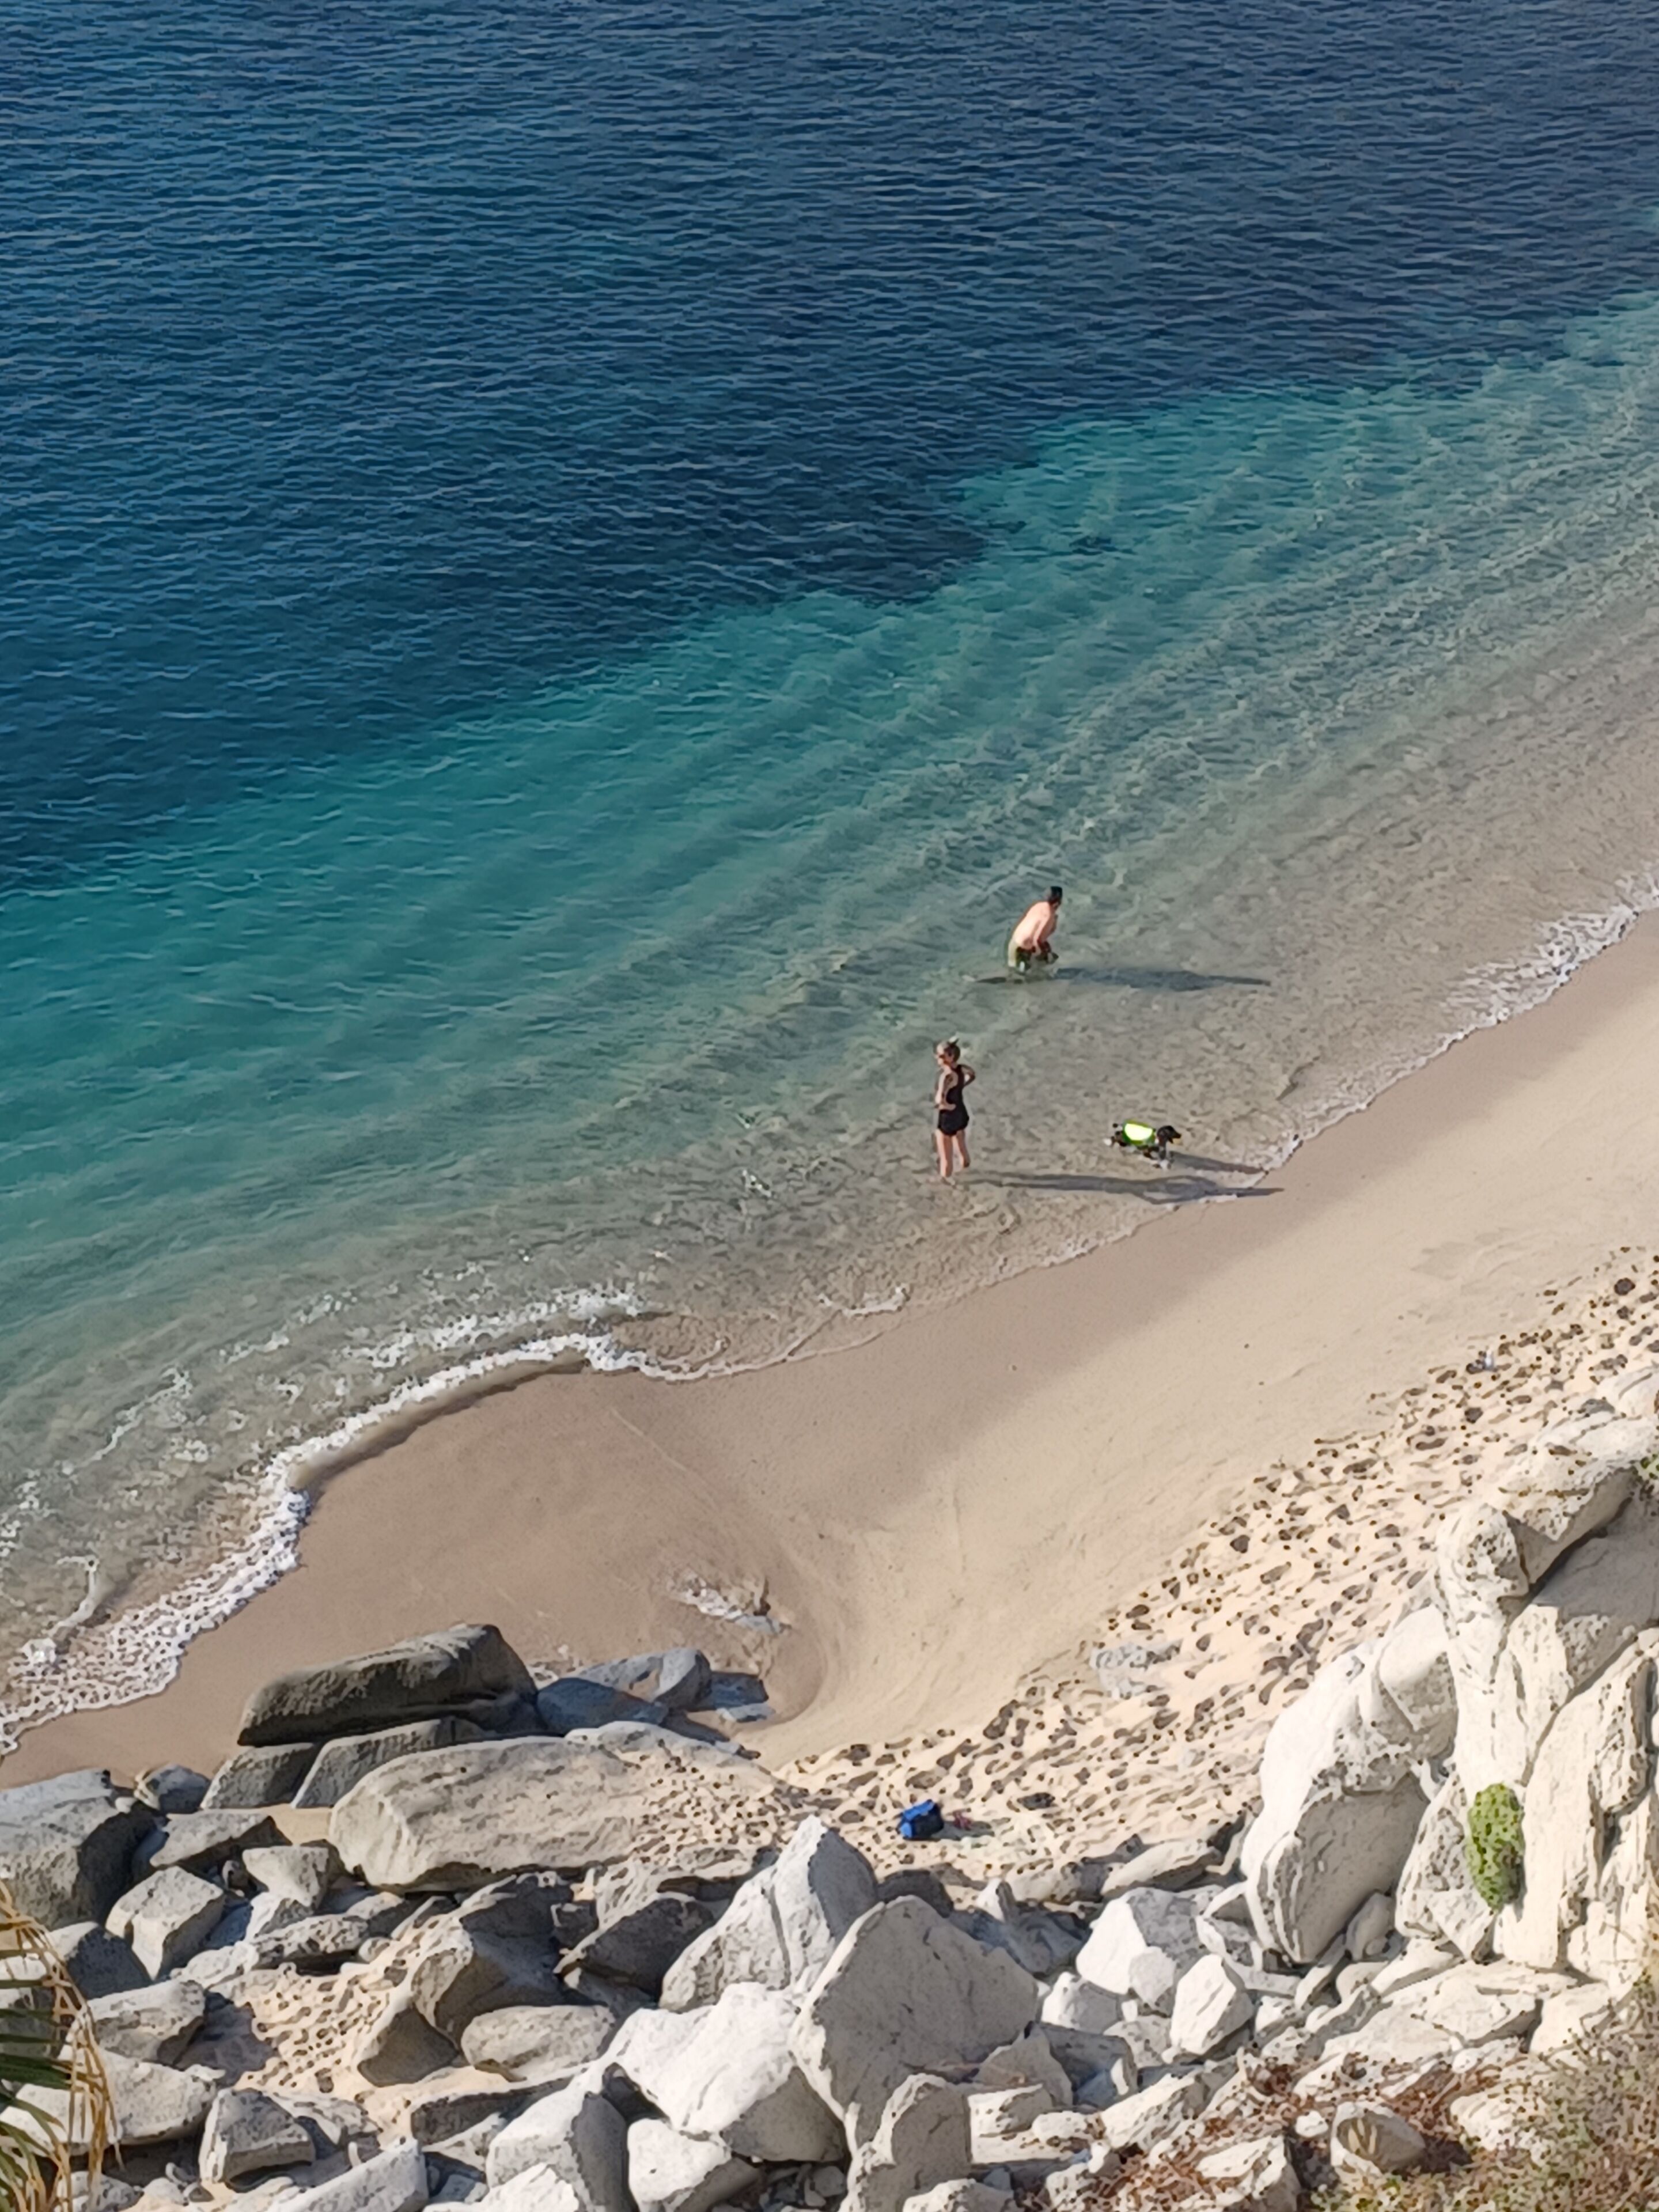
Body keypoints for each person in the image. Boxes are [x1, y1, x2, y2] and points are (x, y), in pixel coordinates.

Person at [933, 1038, 975, 1180]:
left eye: (940, 1055)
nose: (938, 1058)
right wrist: (962, 1086)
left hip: (948, 1118)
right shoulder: (962, 1069)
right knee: (962, 1147)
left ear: (950, 1057)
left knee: (946, 1158)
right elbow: (972, 1074)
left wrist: (945, 1105)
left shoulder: (946, 1076)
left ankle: (945, 1189)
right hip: (961, 1113)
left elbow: (939, 1099)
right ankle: (967, 1171)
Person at [1007, 885, 1063, 971]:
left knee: (1013, 972)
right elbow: (1037, 939)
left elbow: (1027, 922)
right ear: (1059, 901)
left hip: (1014, 943)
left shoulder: (1038, 905)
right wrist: (1046, 953)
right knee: (1044, 964)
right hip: (1022, 949)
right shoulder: (1049, 914)